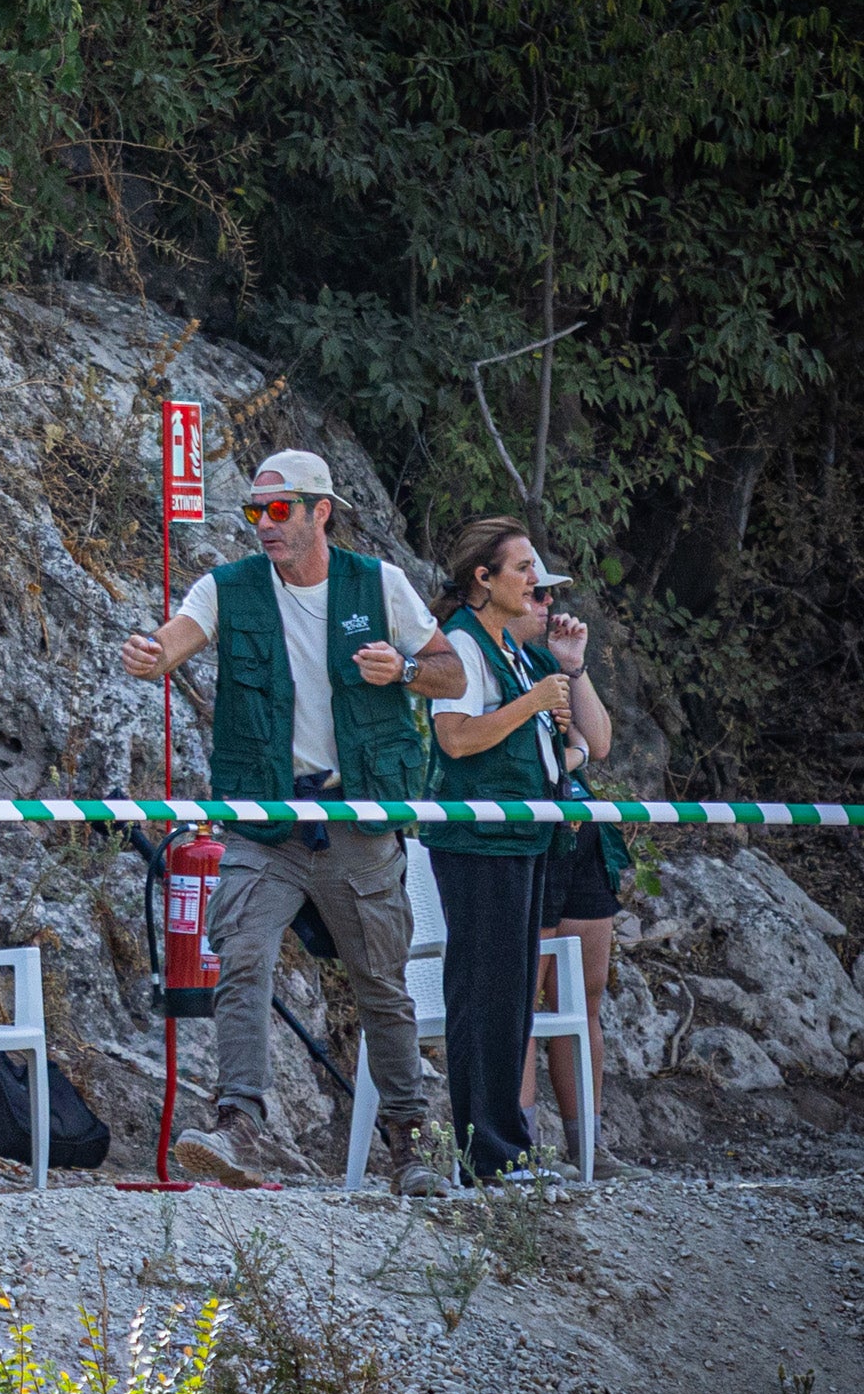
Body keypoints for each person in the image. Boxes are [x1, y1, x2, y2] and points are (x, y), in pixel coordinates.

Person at [118, 449, 465, 1192]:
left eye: (279, 512)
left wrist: (403, 672)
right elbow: (176, 638)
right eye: (254, 513)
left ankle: (411, 1143)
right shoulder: (227, 587)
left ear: (321, 512)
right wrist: (152, 658)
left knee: (382, 985)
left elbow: (452, 673)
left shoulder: (381, 584)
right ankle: (239, 1122)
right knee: (240, 956)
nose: (264, 527)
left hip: (358, 816)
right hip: (264, 819)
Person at [427, 514, 590, 1181]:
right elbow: (456, 739)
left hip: (522, 837)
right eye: (523, 568)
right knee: (485, 996)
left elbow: (560, 740)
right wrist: (532, 704)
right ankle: (484, 1155)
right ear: (482, 578)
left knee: (511, 996)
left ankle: (510, 1147)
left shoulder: (513, 647)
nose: (535, 580)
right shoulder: (460, 644)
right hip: (478, 841)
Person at [519, 565, 629, 1165]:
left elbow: (599, 741)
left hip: (581, 835)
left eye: (551, 593)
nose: (548, 603)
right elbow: (540, 755)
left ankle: (587, 1145)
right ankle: (522, 1147)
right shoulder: (488, 656)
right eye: (537, 592)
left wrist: (574, 665)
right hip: (527, 841)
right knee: (521, 997)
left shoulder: (546, 660)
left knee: (582, 997)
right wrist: (578, 751)